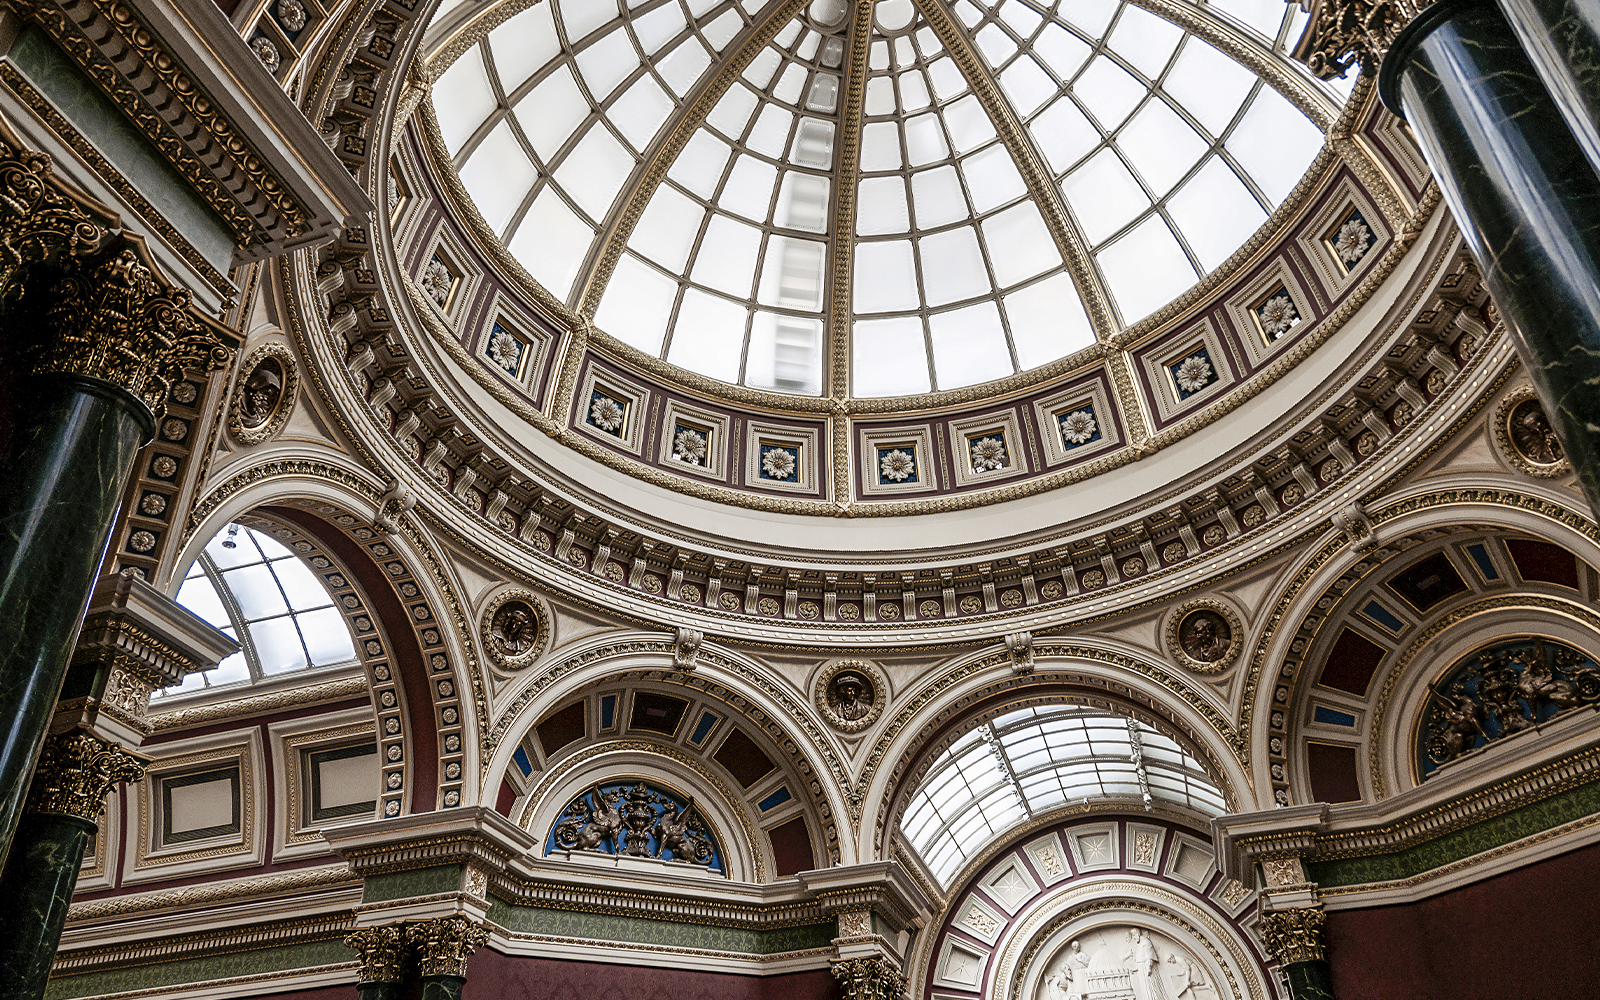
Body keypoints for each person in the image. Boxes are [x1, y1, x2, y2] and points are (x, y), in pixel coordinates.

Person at [1127, 929, 1172, 1000]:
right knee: (1145, 987)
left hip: (1146, 969)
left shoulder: (1146, 942)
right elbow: (1139, 957)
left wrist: (1149, 967)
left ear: (1137, 934)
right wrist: (1135, 968)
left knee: (1151, 987)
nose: (1134, 937)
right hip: (1141, 969)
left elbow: (1149, 955)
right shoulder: (1139, 943)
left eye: (1134, 935)